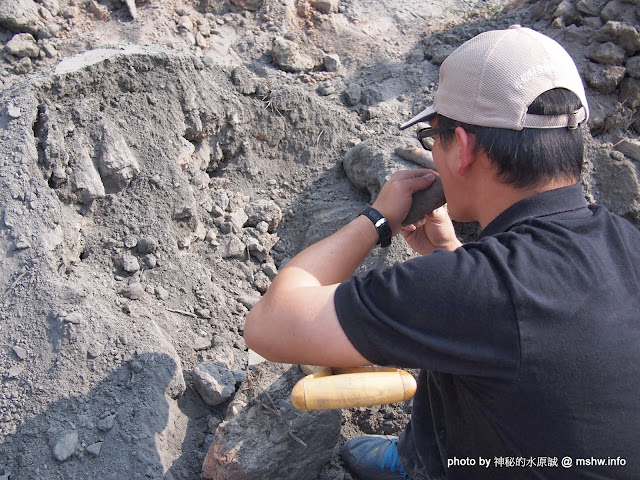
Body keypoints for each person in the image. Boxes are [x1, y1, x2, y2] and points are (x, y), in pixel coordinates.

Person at [244, 26, 640, 480]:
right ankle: (422, 450)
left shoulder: (482, 288)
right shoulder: (626, 244)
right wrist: (452, 254)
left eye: (434, 139)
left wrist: (377, 221)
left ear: (465, 148)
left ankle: (423, 465)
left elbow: (269, 323)